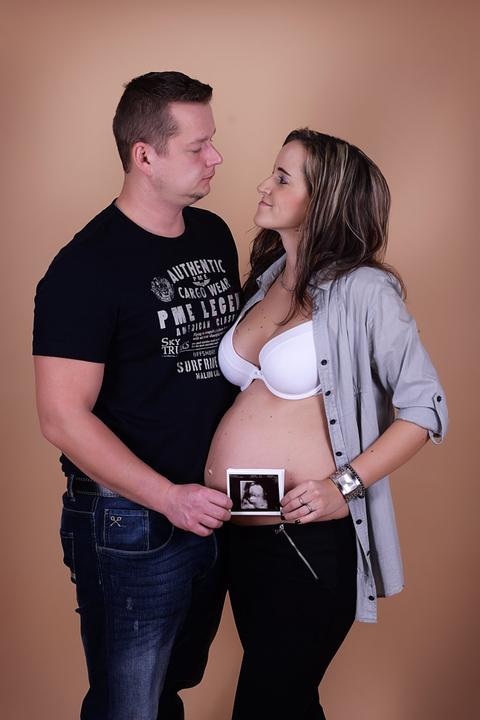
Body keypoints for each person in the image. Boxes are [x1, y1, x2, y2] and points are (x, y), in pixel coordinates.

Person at [205, 128, 448, 719]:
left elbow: (425, 408)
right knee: (286, 702)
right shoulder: (269, 278)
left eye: (282, 178)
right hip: (241, 531)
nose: (263, 186)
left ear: (325, 201)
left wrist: (345, 486)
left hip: (303, 539)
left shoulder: (366, 291)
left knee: (266, 704)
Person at [33, 71, 241, 720]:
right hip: (132, 521)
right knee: (129, 707)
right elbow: (62, 418)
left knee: (169, 689)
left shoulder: (213, 235)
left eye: (212, 141)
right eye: (197, 146)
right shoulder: (84, 268)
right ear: (144, 155)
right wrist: (167, 498)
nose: (216, 157)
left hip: (209, 510)